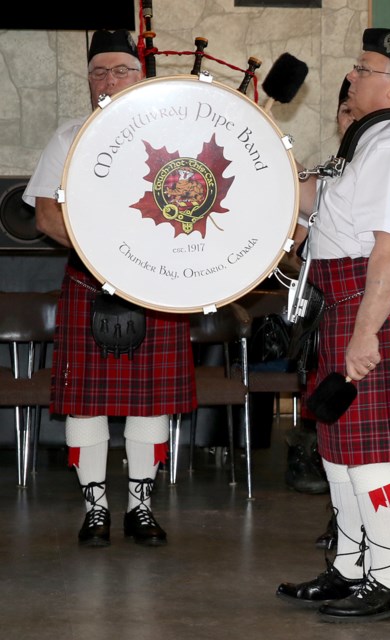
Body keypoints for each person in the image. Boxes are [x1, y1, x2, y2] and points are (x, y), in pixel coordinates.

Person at [276, 27, 390, 622]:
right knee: (340, 448)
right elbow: (321, 205)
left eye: (363, 68)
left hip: (373, 305)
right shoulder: (370, 140)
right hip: (345, 301)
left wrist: (365, 333)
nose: (351, 76)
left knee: (374, 451)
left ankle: (389, 576)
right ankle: (351, 568)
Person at [23, 30, 195, 547]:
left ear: (142, 76)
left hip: (158, 287)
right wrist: (107, 256)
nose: (109, 80)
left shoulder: (177, 135)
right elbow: (46, 215)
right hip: (89, 281)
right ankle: (95, 507)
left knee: (151, 403)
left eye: (121, 70)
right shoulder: (70, 135)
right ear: (89, 80)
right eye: (99, 71)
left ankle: (140, 507)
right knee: (85, 403)